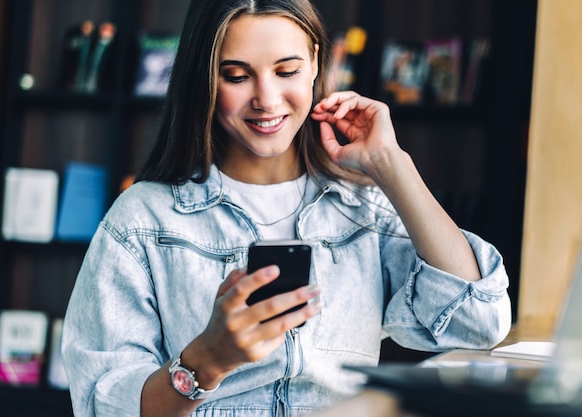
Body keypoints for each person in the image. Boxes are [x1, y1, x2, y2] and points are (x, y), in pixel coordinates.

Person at [61, 0, 512, 416]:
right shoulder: (141, 221)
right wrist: (205, 361)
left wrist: (391, 164)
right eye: (236, 76)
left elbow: (477, 322)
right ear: (204, 77)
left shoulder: (362, 208)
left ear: (316, 60)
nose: (267, 99)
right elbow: (104, 403)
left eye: (287, 70)